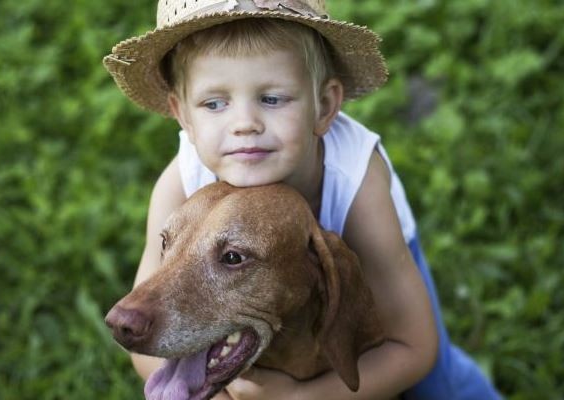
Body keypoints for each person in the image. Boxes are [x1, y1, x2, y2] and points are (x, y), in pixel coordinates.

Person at [104, 0, 500, 398]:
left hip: (376, 254)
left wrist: (297, 398)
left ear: (324, 106)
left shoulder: (359, 183)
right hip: (266, 274)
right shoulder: (178, 186)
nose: (244, 124)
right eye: (214, 103)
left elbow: (412, 348)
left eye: (272, 99)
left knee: (437, 385)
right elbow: (138, 318)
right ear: (183, 115)